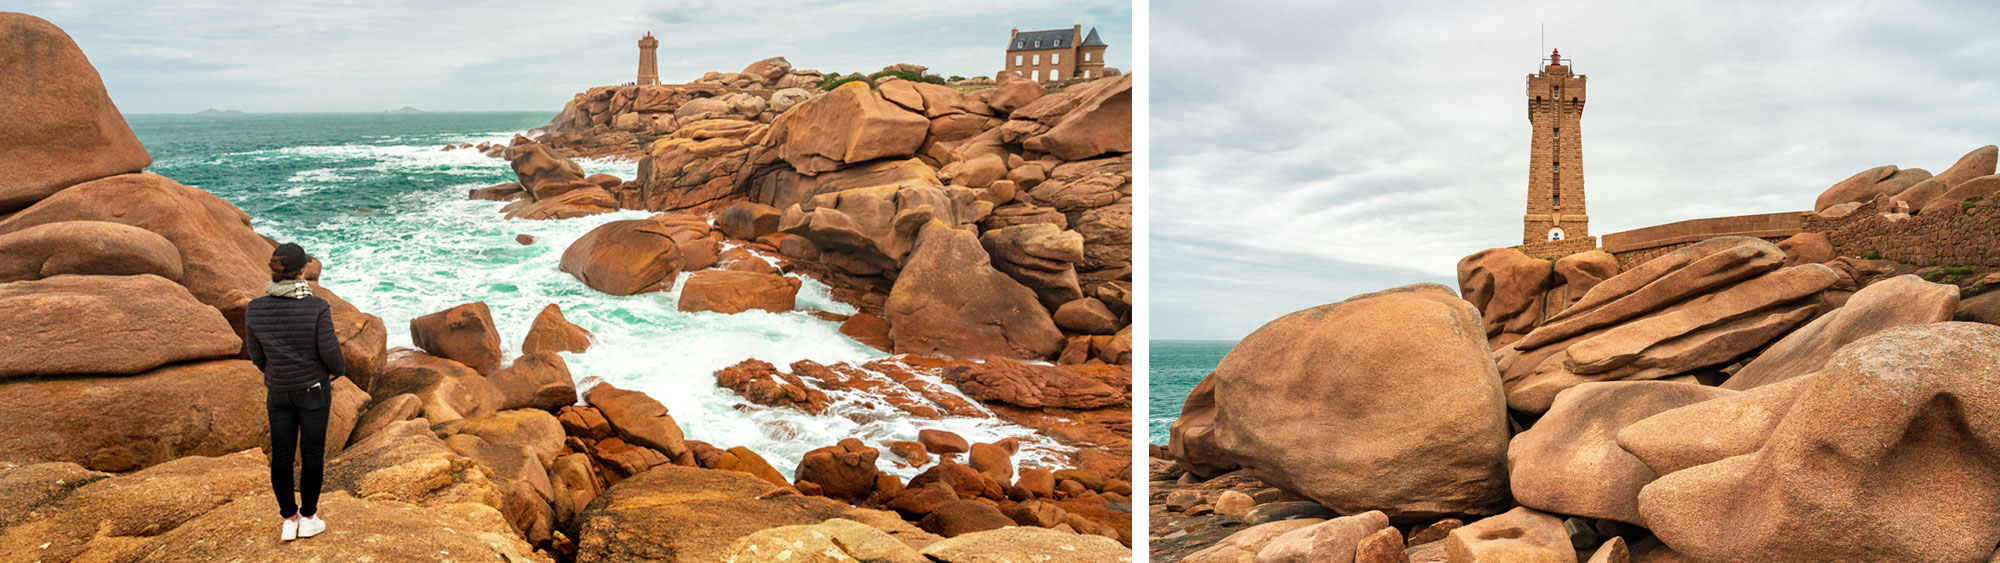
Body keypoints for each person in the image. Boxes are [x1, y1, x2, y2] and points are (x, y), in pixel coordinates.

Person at [245, 243, 346, 541]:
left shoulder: (256, 308)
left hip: (278, 391)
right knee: (312, 455)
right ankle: (309, 517)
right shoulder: (316, 306)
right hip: (314, 390)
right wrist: (333, 372)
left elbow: (256, 355)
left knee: (282, 456)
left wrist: (278, 373)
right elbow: (333, 355)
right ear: (302, 271)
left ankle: (289, 519)